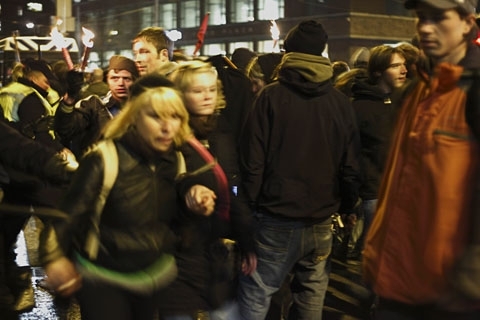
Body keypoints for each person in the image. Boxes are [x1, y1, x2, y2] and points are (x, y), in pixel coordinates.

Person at [42, 76, 218, 320]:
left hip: (152, 279)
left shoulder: (175, 161)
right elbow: (66, 214)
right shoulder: (104, 158)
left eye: (175, 117)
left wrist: (193, 203)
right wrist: (55, 259)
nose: (167, 127)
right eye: (155, 116)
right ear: (135, 116)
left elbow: (168, 218)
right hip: (104, 279)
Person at [362, 0, 480, 319]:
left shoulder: (473, 91)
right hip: (395, 280)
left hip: (451, 293)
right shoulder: (414, 91)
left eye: (439, 17)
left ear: (468, 23)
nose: (425, 27)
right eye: (421, 17)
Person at [237, 20, 361, 319]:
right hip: (321, 219)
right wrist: (347, 204)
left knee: (257, 294)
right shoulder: (340, 103)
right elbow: (350, 163)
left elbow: (252, 161)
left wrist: (248, 208)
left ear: (287, 53)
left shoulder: (270, 97)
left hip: (275, 217)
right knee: (311, 297)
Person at [158, 59, 257, 320]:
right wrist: (188, 193)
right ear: (180, 95)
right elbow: (166, 185)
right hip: (180, 252)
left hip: (217, 251)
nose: (207, 96)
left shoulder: (220, 131)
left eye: (212, 89)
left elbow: (232, 187)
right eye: (198, 90)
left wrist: (247, 243)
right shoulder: (169, 135)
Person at [347, 45, 408, 260]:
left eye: (404, 65)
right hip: (375, 192)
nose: (404, 70)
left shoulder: (405, 102)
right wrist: (354, 195)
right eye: (395, 66)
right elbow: (350, 153)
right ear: (377, 72)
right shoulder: (359, 107)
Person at [54, 55, 140, 157]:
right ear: (107, 80)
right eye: (115, 78)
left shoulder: (143, 106)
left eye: (126, 79)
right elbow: (66, 129)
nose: (121, 83)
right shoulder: (94, 105)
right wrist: (70, 97)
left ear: (135, 81)